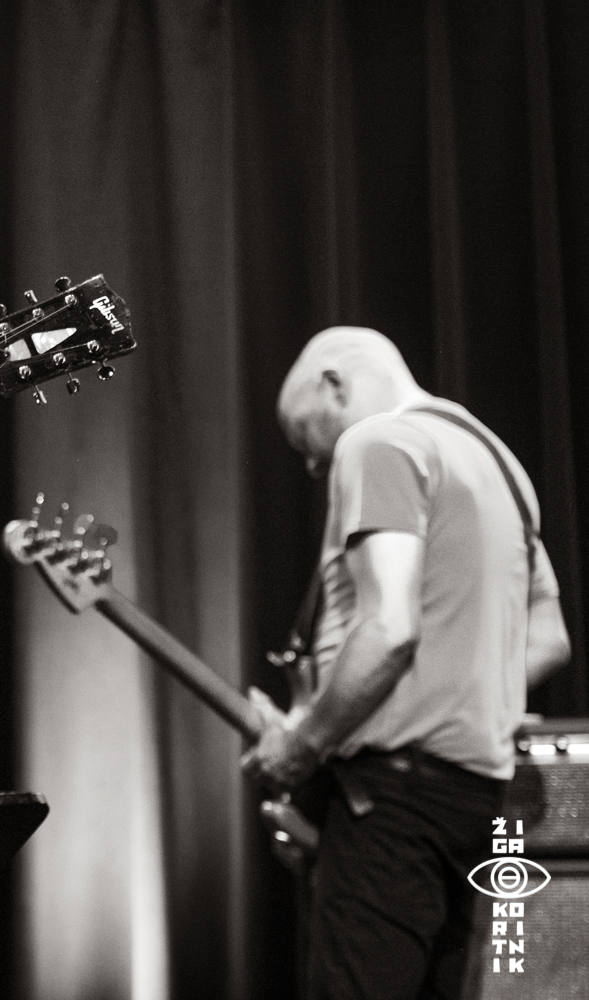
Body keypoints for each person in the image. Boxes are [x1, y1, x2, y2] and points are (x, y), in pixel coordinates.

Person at [242, 327, 570, 1000]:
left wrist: (301, 746)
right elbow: (548, 638)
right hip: (480, 803)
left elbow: (389, 629)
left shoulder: (378, 442)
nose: (313, 468)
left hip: (390, 810)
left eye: (308, 439)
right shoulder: (501, 465)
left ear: (335, 384)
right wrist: (456, 696)